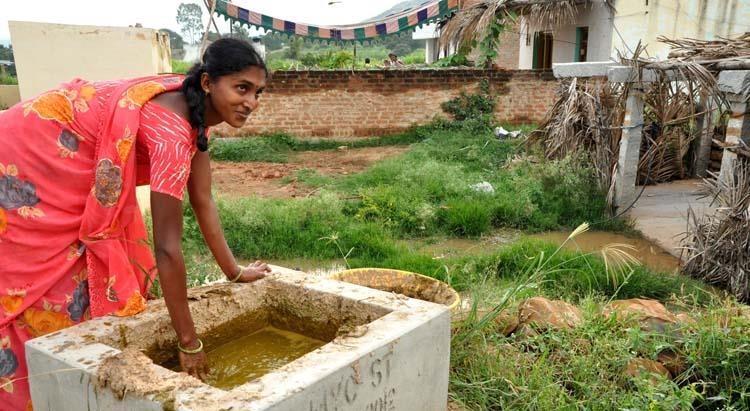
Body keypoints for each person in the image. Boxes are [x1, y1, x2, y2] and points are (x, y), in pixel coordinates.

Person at [0, 37, 271, 410]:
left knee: (88, 262)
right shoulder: (173, 134)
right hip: (34, 148)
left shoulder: (195, 115)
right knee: (44, 274)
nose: (251, 103)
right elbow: (167, 248)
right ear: (208, 83)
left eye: (258, 92)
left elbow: (203, 200)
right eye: (242, 88)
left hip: (59, 144)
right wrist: (189, 344)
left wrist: (234, 272)